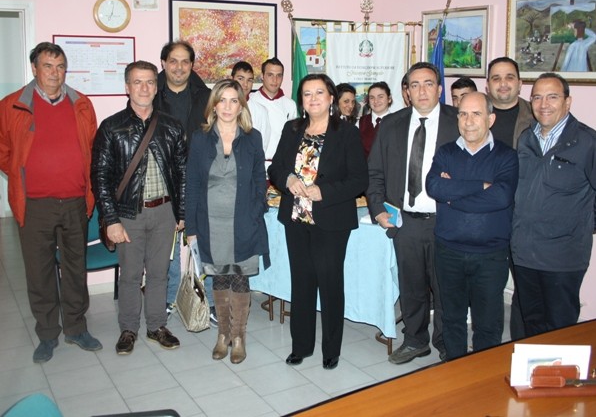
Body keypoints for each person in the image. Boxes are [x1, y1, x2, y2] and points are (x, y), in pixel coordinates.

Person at [0, 42, 102, 363]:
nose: (55, 73)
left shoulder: (81, 104)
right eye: (48, 66)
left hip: (75, 201)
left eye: (60, 67)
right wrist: (26, 175)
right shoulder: (11, 106)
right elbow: (4, 152)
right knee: (39, 271)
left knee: (75, 268)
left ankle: (76, 328)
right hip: (34, 205)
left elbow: (92, 149)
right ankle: (47, 333)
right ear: (34, 68)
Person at [268, 74, 368, 370]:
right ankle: (301, 345)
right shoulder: (292, 128)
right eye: (307, 94)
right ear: (301, 100)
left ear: (331, 98)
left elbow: (359, 179)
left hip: (331, 220)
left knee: (330, 283)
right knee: (301, 283)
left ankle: (331, 349)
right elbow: (276, 168)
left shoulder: (346, 132)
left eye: (319, 93)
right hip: (296, 218)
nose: (313, 99)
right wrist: (288, 179)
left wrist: (324, 191)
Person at [92, 60, 186, 355]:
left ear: (156, 88)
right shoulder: (111, 127)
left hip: (165, 213)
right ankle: (128, 329)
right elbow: (100, 176)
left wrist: (181, 212)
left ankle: (156, 325)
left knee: (159, 273)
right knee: (131, 275)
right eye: (137, 82)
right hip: (128, 214)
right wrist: (111, 219)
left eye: (149, 82)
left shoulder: (171, 126)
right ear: (127, 87)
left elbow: (182, 172)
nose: (144, 88)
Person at [367, 62, 459, 365]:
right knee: (411, 287)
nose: (422, 91)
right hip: (405, 222)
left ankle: (447, 342)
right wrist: (378, 210)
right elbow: (375, 172)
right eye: (414, 85)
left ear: (440, 89)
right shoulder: (391, 124)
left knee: (446, 288)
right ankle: (416, 340)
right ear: (406, 92)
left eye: (428, 83)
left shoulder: (458, 121)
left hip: (447, 221)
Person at [426, 92, 518, 360]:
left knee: (488, 324)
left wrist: (452, 195)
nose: (468, 121)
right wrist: (481, 186)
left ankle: (482, 373)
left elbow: (501, 197)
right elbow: (434, 187)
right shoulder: (446, 152)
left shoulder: (506, 156)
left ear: (490, 119)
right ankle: (455, 368)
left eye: (476, 114)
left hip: (490, 256)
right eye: (463, 114)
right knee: (452, 318)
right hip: (449, 252)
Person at [185, 79, 269, 364]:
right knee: (220, 277)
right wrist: (191, 227)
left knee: (240, 277)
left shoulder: (252, 137)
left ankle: (239, 337)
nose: (227, 106)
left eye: (234, 100)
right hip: (211, 223)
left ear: (241, 106)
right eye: (222, 100)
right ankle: (223, 334)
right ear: (214, 105)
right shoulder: (200, 138)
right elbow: (192, 183)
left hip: (243, 221)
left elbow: (259, 178)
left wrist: (256, 210)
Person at [511, 72, 596, 337]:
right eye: (537, 97)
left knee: (560, 331)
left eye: (552, 97)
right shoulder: (526, 139)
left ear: (567, 102)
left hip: (563, 258)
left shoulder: (587, 142)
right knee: (530, 325)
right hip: (524, 253)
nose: (543, 104)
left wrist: (582, 224)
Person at [153, 40, 216, 322]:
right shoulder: (150, 93)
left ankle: (209, 301)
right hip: (162, 179)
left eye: (185, 62)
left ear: (192, 65)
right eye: (173, 61)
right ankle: (168, 298)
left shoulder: (206, 96)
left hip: (198, 179)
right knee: (166, 246)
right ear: (164, 63)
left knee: (202, 242)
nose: (179, 67)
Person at [485, 56, 534, 340]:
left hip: (522, 216)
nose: (503, 84)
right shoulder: (475, 113)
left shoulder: (536, 117)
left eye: (509, 77)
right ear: (488, 85)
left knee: (525, 288)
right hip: (485, 218)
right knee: (488, 287)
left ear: (519, 83)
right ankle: (489, 345)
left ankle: (521, 344)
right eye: (496, 78)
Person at [248, 57, 298, 163]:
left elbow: (292, 139)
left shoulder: (290, 105)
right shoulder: (250, 101)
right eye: (270, 75)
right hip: (254, 163)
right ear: (262, 76)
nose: (275, 80)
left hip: (280, 165)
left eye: (279, 75)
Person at [231, 61, 271, 158]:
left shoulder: (261, 111)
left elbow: (263, 144)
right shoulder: (222, 107)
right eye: (240, 79)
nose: (245, 84)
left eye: (249, 80)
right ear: (232, 79)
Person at [359, 81, 393, 158]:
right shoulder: (360, 123)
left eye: (380, 97)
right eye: (372, 98)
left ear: (389, 99)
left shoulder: (398, 122)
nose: (376, 101)